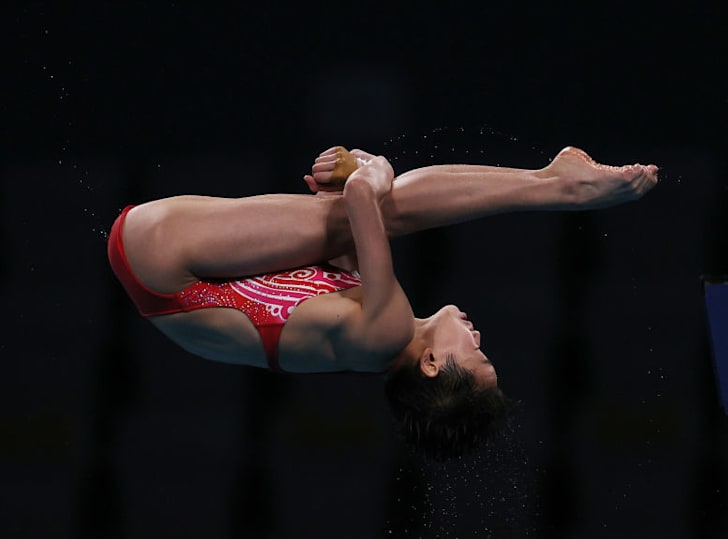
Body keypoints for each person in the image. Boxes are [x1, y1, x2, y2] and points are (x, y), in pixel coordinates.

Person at [107, 146, 659, 458]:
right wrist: (337, 189)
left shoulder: (390, 331)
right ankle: (552, 183)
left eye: (477, 355)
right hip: (162, 274)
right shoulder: (370, 344)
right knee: (356, 222)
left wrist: (370, 167)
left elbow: (363, 197)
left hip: (164, 261)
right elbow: (334, 245)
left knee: (387, 210)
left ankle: (561, 187)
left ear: (432, 363)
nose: (479, 337)